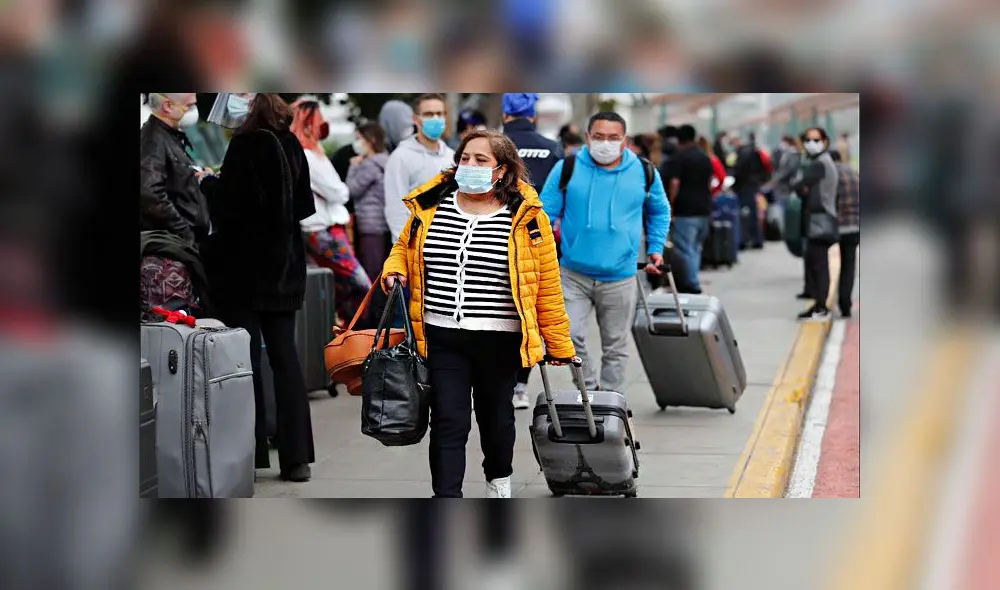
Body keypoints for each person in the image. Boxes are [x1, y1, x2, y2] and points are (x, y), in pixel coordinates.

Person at [380, 129, 576, 498]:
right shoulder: (431, 205)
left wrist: (559, 344)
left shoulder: (527, 217)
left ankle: (498, 480)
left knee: (496, 420)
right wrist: (394, 269)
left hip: (499, 339)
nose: (469, 165)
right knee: (448, 421)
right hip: (441, 336)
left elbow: (547, 284)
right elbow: (404, 247)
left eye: (481, 160)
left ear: (503, 170)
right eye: (465, 158)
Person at [200, 93, 317, 482]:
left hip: (245, 272)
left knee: (244, 363)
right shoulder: (290, 142)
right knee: (286, 360)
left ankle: (249, 453)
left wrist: (209, 183)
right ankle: (296, 458)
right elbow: (304, 206)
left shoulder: (245, 144)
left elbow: (230, 211)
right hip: (285, 268)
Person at [539, 111, 671, 393]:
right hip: (573, 273)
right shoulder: (567, 168)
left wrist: (656, 248)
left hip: (621, 276)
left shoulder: (644, 172)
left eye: (613, 137)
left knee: (615, 345)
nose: (606, 143)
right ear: (588, 137)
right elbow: (544, 213)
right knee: (567, 336)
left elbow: (660, 211)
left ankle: (611, 401)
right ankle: (589, 391)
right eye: (599, 137)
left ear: (624, 140)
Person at [499, 93, 564, 410]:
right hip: (536, 238)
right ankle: (520, 386)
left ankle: (493, 381)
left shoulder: (493, 146)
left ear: (505, 115)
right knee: (529, 312)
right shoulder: (552, 148)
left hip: (493, 234)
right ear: (533, 115)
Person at [291, 99, 373, 326]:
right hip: (322, 230)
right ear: (308, 123)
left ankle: (344, 330)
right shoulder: (307, 156)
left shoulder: (314, 153)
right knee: (360, 283)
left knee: (338, 286)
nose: (323, 124)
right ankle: (354, 330)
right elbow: (339, 192)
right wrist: (341, 190)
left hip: (327, 228)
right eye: (318, 120)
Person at [140, 93, 212, 311]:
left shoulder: (171, 136)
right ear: (167, 106)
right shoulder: (154, 140)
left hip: (182, 248)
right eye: (189, 106)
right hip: (171, 253)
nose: (194, 111)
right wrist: (184, 232)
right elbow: (150, 193)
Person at [383, 93, 456, 244]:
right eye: (429, 114)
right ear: (416, 119)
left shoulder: (452, 157)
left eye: (439, 113)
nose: (435, 118)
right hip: (415, 244)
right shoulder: (400, 157)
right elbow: (395, 209)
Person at [791, 126, 839, 320]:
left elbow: (798, 184)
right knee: (816, 263)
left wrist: (800, 187)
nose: (811, 144)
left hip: (820, 221)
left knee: (819, 265)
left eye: (816, 140)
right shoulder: (824, 161)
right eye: (808, 140)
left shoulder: (819, 163)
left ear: (825, 142)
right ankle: (819, 305)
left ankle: (821, 307)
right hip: (821, 219)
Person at [660, 125, 714, 294]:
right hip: (704, 208)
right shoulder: (704, 156)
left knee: (684, 248)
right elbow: (709, 182)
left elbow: (675, 183)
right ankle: (693, 277)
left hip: (686, 209)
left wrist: (671, 206)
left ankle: (691, 283)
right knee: (695, 247)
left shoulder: (679, 157)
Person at [346, 122, 392, 286]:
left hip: (370, 225)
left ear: (370, 140)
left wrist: (353, 167)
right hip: (384, 224)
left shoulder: (369, 165)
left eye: (359, 138)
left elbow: (351, 189)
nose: (357, 143)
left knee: (371, 275)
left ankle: (372, 304)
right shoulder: (387, 161)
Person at [830, 149, 860, 318]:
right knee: (849, 264)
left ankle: (820, 298)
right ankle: (845, 304)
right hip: (855, 225)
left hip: (836, 225)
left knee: (819, 260)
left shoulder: (830, 174)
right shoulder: (853, 172)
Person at [732, 132, 771, 249]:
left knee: (745, 213)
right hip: (754, 185)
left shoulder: (744, 152)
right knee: (754, 213)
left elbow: (739, 170)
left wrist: (734, 184)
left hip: (745, 186)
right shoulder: (755, 151)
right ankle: (756, 239)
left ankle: (745, 239)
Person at [761, 135, 803, 205]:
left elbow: (789, 169)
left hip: (786, 185)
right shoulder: (786, 153)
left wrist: (775, 179)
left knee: (781, 203)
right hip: (781, 184)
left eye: (784, 142)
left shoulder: (794, 154)